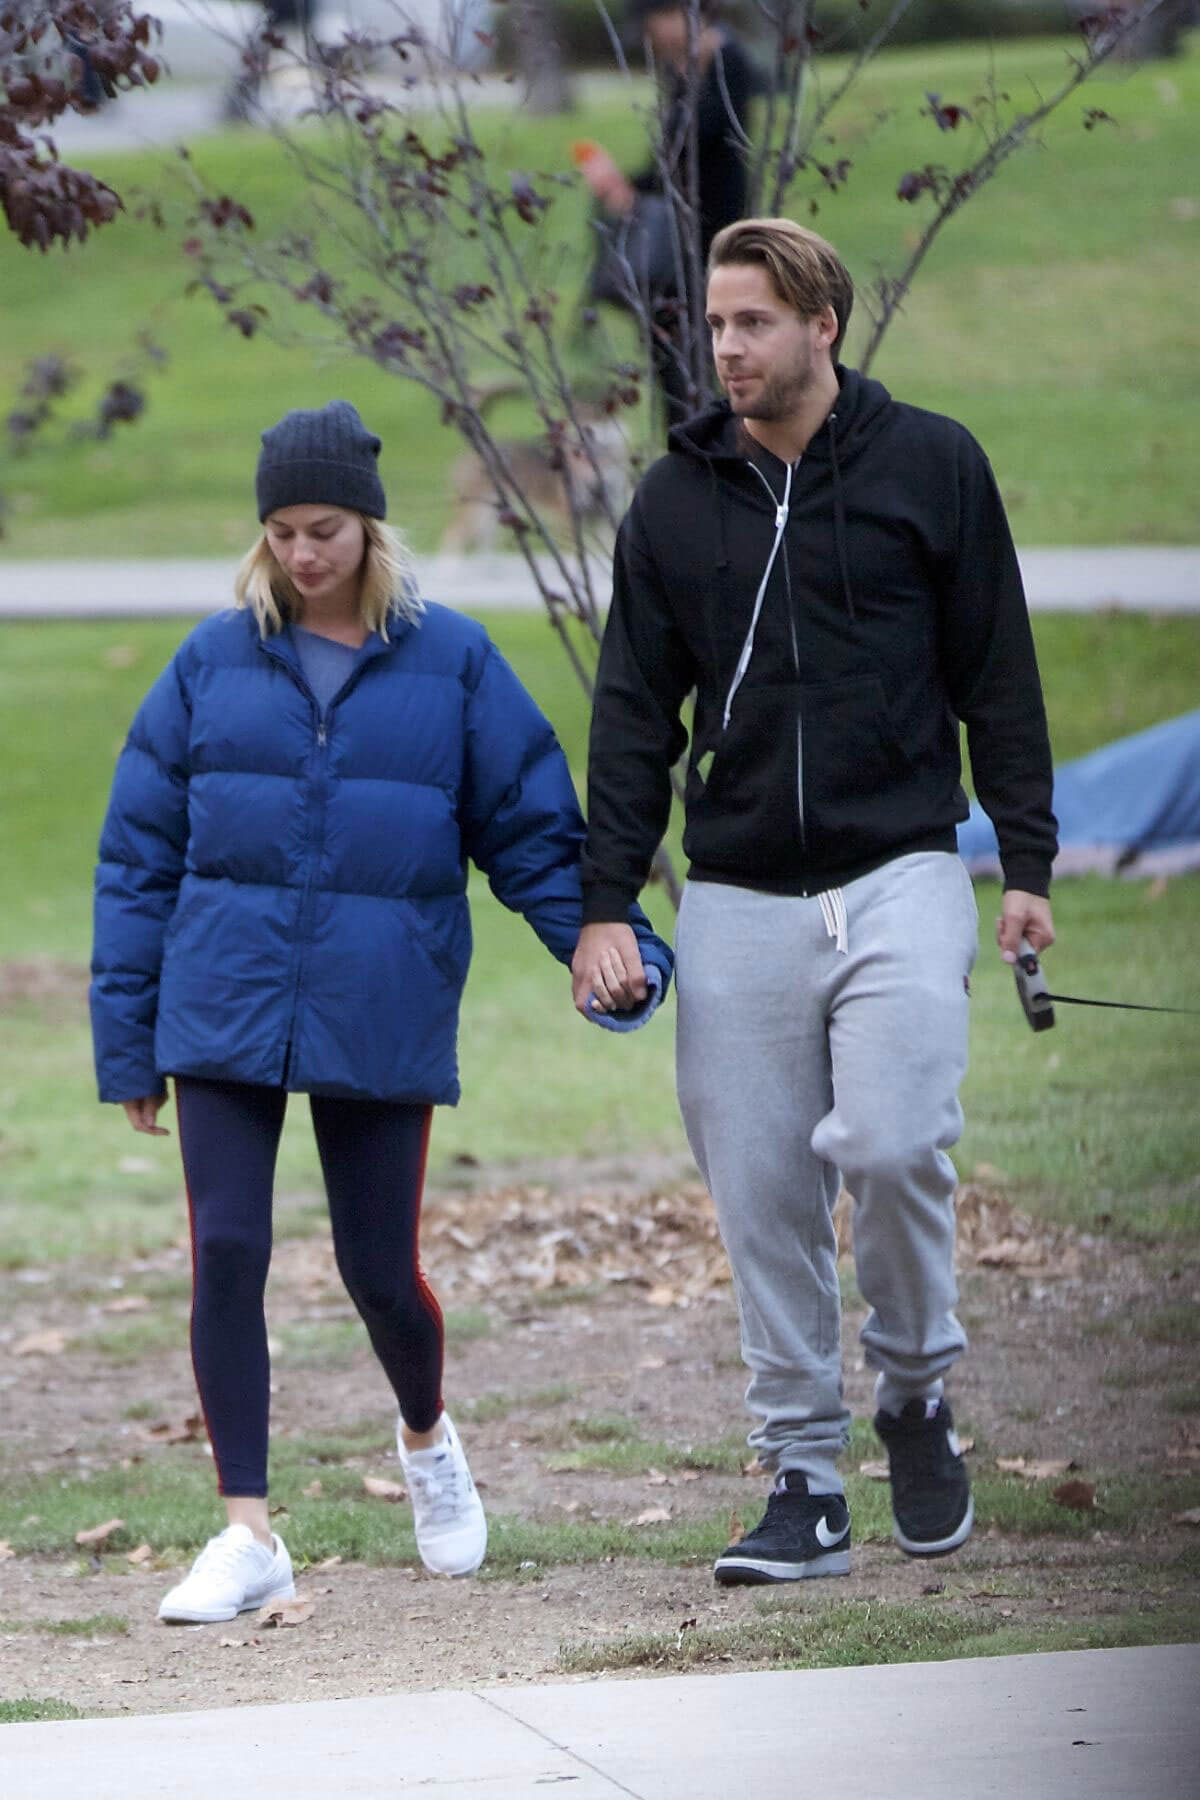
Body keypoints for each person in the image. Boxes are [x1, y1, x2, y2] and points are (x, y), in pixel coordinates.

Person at [90, 399, 672, 1624]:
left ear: (371, 526)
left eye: (328, 531)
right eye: (284, 533)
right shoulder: (209, 662)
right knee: (229, 1250)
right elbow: (137, 860)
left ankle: (424, 1438)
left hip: (380, 997)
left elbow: (528, 828)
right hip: (224, 997)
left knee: (379, 1270)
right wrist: (129, 1038)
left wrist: (605, 951)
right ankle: (247, 1531)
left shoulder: (451, 660)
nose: (305, 556)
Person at [571, 219, 1057, 1584]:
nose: (726, 347)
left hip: (901, 867)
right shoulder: (675, 501)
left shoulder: (931, 465)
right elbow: (628, 719)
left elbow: (1000, 673)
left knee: (898, 1145)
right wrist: (609, 901)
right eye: (714, 326)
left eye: (752, 323)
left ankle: (912, 1392)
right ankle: (801, 1474)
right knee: (762, 1193)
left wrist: (1027, 864)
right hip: (735, 892)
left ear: (821, 324)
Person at [579, 0, 762, 428]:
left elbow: (699, 141)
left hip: (713, 239)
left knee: (704, 358)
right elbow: (666, 160)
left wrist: (633, 185)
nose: (650, 35)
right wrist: (625, 186)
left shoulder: (726, 64)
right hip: (675, 245)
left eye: (654, 22)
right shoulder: (679, 72)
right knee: (673, 366)